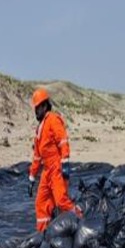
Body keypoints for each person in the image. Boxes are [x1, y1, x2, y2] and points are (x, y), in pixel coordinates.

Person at [28, 88, 82, 232]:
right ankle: (43, 233)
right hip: (47, 171)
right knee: (40, 203)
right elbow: (37, 156)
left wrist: (65, 163)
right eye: (35, 108)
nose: (36, 111)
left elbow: (63, 141)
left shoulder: (53, 120)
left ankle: (81, 220)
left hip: (56, 167)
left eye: (38, 108)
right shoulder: (39, 129)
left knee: (61, 201)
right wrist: (32, 177)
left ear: (45, 106)